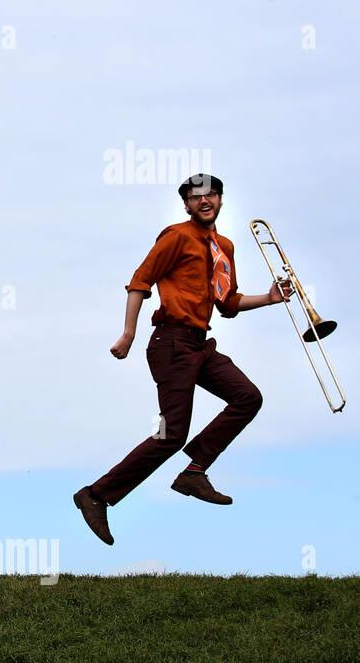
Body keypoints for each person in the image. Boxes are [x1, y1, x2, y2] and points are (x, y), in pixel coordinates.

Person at [73, 173, 292, 545]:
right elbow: (140, 281)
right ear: (187, 205)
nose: (204, 201)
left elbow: (228, 303)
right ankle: (95, 495)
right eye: (196, 197)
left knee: (248, 397)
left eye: (211, 195)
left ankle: (194, 472)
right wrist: (128, 333)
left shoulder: (224, 246)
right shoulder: (176, 236)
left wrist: (269, 298)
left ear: (221, 199)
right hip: (171, 343)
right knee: (171, 434)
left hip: (199, 345)